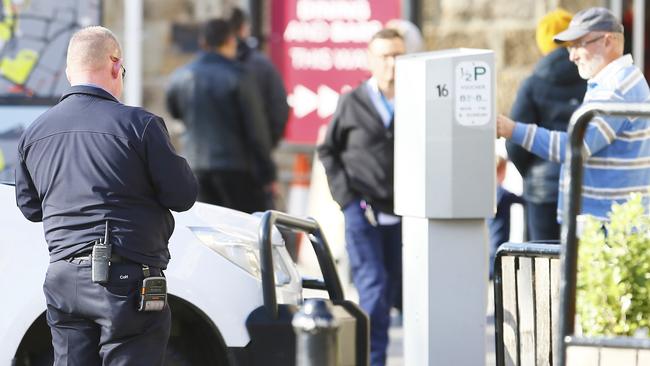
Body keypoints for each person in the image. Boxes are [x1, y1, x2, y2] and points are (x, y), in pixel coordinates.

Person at [15, 26, 198, 365]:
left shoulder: (34, 133)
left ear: (71, 72)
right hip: (126, 280)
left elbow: (29, 207)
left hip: (63, 279)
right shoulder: (139, 125)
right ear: (115, 66)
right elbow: (183, 195)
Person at [497, 7, 650, 222]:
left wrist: (511, 129)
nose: (572, 56)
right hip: (611, 223)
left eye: (579, 44)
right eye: (570, 47)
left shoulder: (616, 87)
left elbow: (574, 147)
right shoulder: (618, 80)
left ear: (607, 41)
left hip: (608, 227)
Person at [317, 28, 405, 366]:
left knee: (406, 293)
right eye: (384, 56)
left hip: (406, 214)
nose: (392, 64)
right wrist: (347, 200)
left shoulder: (417, 100)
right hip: (363, 211)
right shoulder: (352, 101)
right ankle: (372, 360)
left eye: (398, 55)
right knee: (374, 291)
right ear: (371, 60)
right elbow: (328, 150)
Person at [166, 18, 275, 213]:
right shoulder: (239, 76)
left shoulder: (180, 76)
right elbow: (256, 130)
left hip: (196, 165)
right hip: (237, 169)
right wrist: (268, 174)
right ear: (231, 41)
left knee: (205, 229)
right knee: (241, 233)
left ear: (203, 43)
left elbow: (175, 112)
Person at [506, 8, 586, 240]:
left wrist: (531, 174)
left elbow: (514, 143)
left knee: (542, 265)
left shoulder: (532, 83)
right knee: (582, 264)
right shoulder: (592, 77)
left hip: (543, 189)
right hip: (582, 186)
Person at [229, 7, 289, 148]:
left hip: (209, 160)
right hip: (251, 153)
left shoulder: (197, 72)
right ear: (244, 29)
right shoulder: (261, 64)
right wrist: (267, 143)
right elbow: (279, 107)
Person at [488, 153, 524, 278]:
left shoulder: (488, 193)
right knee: (497, 274)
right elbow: (523, 200)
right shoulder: (503, 194)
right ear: (501, 172)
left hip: (489, 240)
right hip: (499, 239)